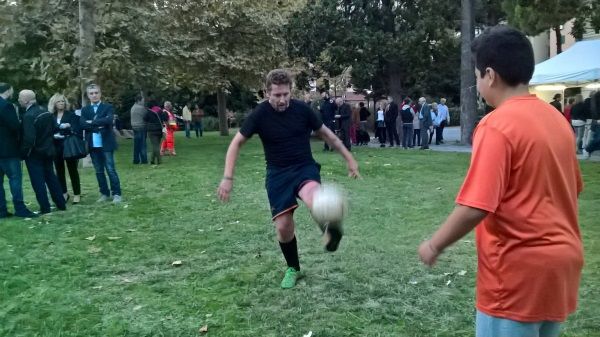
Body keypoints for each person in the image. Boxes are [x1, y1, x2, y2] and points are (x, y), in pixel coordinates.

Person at [418, 25, 583, 337]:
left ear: (490, 75)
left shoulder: (497, 125)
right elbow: (571, 189)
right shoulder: (558, 122)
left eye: (478, 77)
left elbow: (475, 206)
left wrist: (434, 244)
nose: (478, 85)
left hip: (517, 276)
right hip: (561, 269)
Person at [217, 69, 360, 289]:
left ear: (291, 91)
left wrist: (349, 158)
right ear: (267, 93)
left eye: (286, 94)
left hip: (304, 167)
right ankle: (293, 268)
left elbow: (327, 134)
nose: (282, 99)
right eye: (277, 95)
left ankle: (331, 231)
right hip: (277, 173)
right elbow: (236, 143)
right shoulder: (259, 114)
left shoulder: (302, 110)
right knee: (283, 226)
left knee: (315, 199)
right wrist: (228, 177)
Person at [19, 90, 66, 214]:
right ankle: (61, 203)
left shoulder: (28, 116)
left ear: (25, 100)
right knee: (51, 177)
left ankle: (45, 207)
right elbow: (55, 128)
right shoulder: (46, 112)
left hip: (35, 153)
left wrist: (23, 153)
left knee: (38, 181)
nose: (18, 100)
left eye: (19, 98)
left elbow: (29, 139)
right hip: (48, 150)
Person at [80, 83, 122, 203]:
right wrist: (98, 125)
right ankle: (104, 193)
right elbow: (82, 124)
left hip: (106, 143)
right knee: (98, 170)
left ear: (100, 93)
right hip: (93, 145)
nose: (94, 95)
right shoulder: (85, 109)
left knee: (110, 169)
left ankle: (117, 193)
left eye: (96, 93)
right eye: (91, 93)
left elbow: (108, 120)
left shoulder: (107, 107)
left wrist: (91, 123)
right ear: (88, 95)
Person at [0, 83, 37, 218]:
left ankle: (1, 210)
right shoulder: (6, 106)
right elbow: (15, 126)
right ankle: (20, 208)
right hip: (8, 150)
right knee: (15, 180)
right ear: (8, 91)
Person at [49, 94, 82, 204]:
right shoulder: (51, 116)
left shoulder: (71, 115)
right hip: (56, 145)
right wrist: (54, 134)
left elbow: (75, 128)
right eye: (58, 101)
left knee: (72, 170)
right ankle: (64, 193)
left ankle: (77, 194)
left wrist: (67, 128)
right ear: (54, 103)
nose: (61, 103)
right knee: (59, 171)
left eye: (63, 101)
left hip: (68, 145)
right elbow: (48, 130)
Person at [130, 94, 148, 164]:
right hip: (141, 127)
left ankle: (136, 159)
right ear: (138, 101)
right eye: (142, 101)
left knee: (136, 144)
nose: (143, 102)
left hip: (134, 127)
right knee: (142, 144)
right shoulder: (141, 108)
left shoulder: (133, 107)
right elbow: (146, 115)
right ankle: (144, 160)